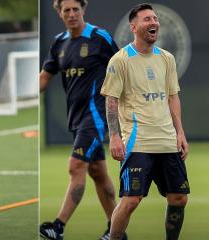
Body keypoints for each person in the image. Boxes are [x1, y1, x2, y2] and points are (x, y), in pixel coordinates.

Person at [100, 3, 190, 240]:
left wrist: (180, 132)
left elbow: (173, 97)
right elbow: (111, 101)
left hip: (167, 141)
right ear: (134, 27)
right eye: (147, 19)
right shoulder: (120, 60)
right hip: (137, 143)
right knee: (130, 201)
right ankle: (114, 238)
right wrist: (114, 136)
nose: (154, 23)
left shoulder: (167, 58)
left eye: (155, 19)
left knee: (179, 198)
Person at [39, 1, 126, 239]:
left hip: (97, 116)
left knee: (76, 166)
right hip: (76, 118)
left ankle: (58, 227)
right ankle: (116, 231)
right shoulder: (59, 42)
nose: (71, 14)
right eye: (66, 10)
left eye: (75, 9)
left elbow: (123, 68)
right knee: (98, 172)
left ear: (83, 10)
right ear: (59, 13)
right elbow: (45, 76)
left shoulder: (100, 38)